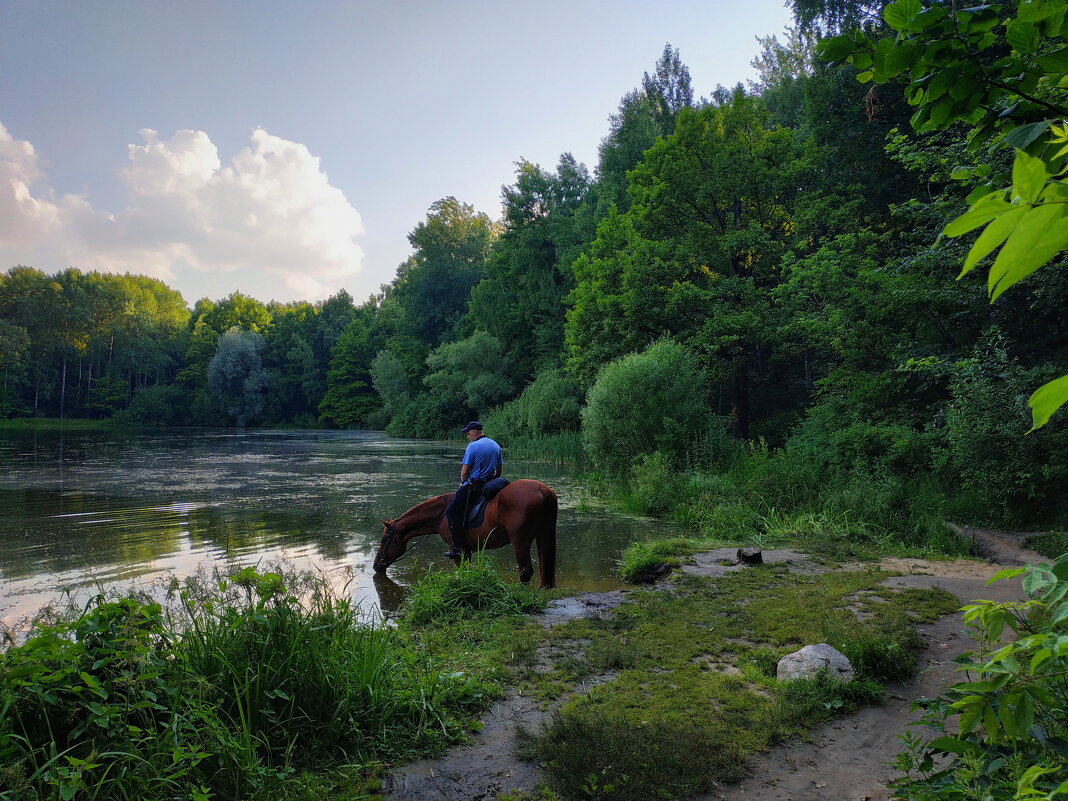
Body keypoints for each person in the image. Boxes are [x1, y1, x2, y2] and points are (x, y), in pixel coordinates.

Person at [442, 421, 503, 559]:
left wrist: (464, 483)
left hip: (475, 487)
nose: (467, 437)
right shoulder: (495, 445)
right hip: (491, 485)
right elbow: (499, 471)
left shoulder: (473, 446)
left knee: (451, 512)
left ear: (475, 432)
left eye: (468, 433)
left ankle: (457, 548)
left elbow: (464, 472)